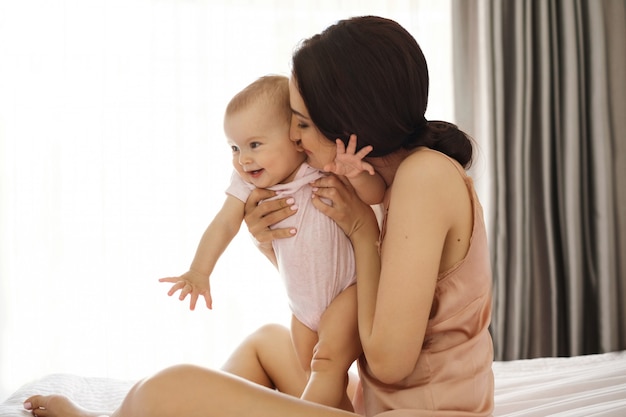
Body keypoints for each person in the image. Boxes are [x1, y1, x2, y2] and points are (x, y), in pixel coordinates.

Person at [23, 15, 495, 417]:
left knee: (171, 386)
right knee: (265, 343)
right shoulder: (389, 179)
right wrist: (271, 243)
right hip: (379, 402)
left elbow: (389, 360)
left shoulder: (424, 176)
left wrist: (360, 229)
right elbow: (343, 289)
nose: (292, 135)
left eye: (302, 122)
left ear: (347, 123)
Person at [158, 74, 385, 411]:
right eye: (234, 148)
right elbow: (224, 224)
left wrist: (355, 173)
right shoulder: (245, 184)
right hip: (303, 308)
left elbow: (375, 196)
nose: (243, 159)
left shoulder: (319, 167)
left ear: (294, 138)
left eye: (254, 145)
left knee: (325, 364)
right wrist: (199, 271)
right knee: (315, 375)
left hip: (347, 292)